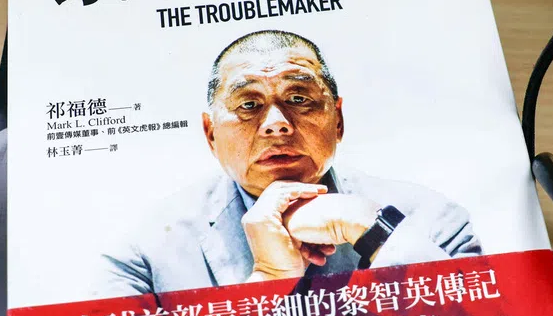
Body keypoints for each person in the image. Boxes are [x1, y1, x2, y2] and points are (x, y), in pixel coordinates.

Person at [106, 29, 481, 293]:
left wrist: (372, 228)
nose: (276, 125)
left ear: (338, 121)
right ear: (211, 135)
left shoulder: (433, 221)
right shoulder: (148, 247)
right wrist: (268, 280)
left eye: (299, 99)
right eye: (248, 105)